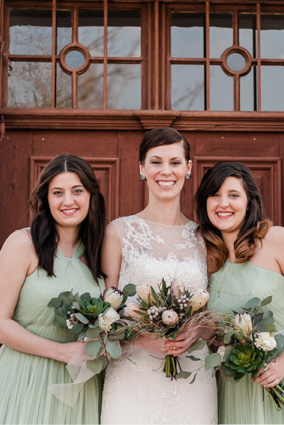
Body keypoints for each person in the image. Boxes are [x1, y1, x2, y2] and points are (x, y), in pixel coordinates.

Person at [195, 162, 284, 424]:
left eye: (233, 195)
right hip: (239, 385)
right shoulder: (209, 260)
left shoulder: (276, 240)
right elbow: (213, 328)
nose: (223, 203)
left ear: (250, 201)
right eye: (214, 195)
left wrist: (282, 364)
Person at [100, 128, 218, 424]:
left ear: (189, 168)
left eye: (175, 162)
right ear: (142, 168)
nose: (166, 171)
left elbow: (214, 312)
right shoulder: (118, 233)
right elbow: (104, 314)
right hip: (133, 377)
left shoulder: (206, 238)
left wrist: (197, 333)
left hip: (192, 378)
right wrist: (140, 339)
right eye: (156, 162)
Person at [0, 155, 106, 424]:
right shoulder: (22, 244)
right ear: (46, 199)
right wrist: (60, 352)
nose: (68, 201)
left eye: (77, 191)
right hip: (24, 377)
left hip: (78, 386)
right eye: (57, 192)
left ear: (91, 196)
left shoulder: (99, 253)